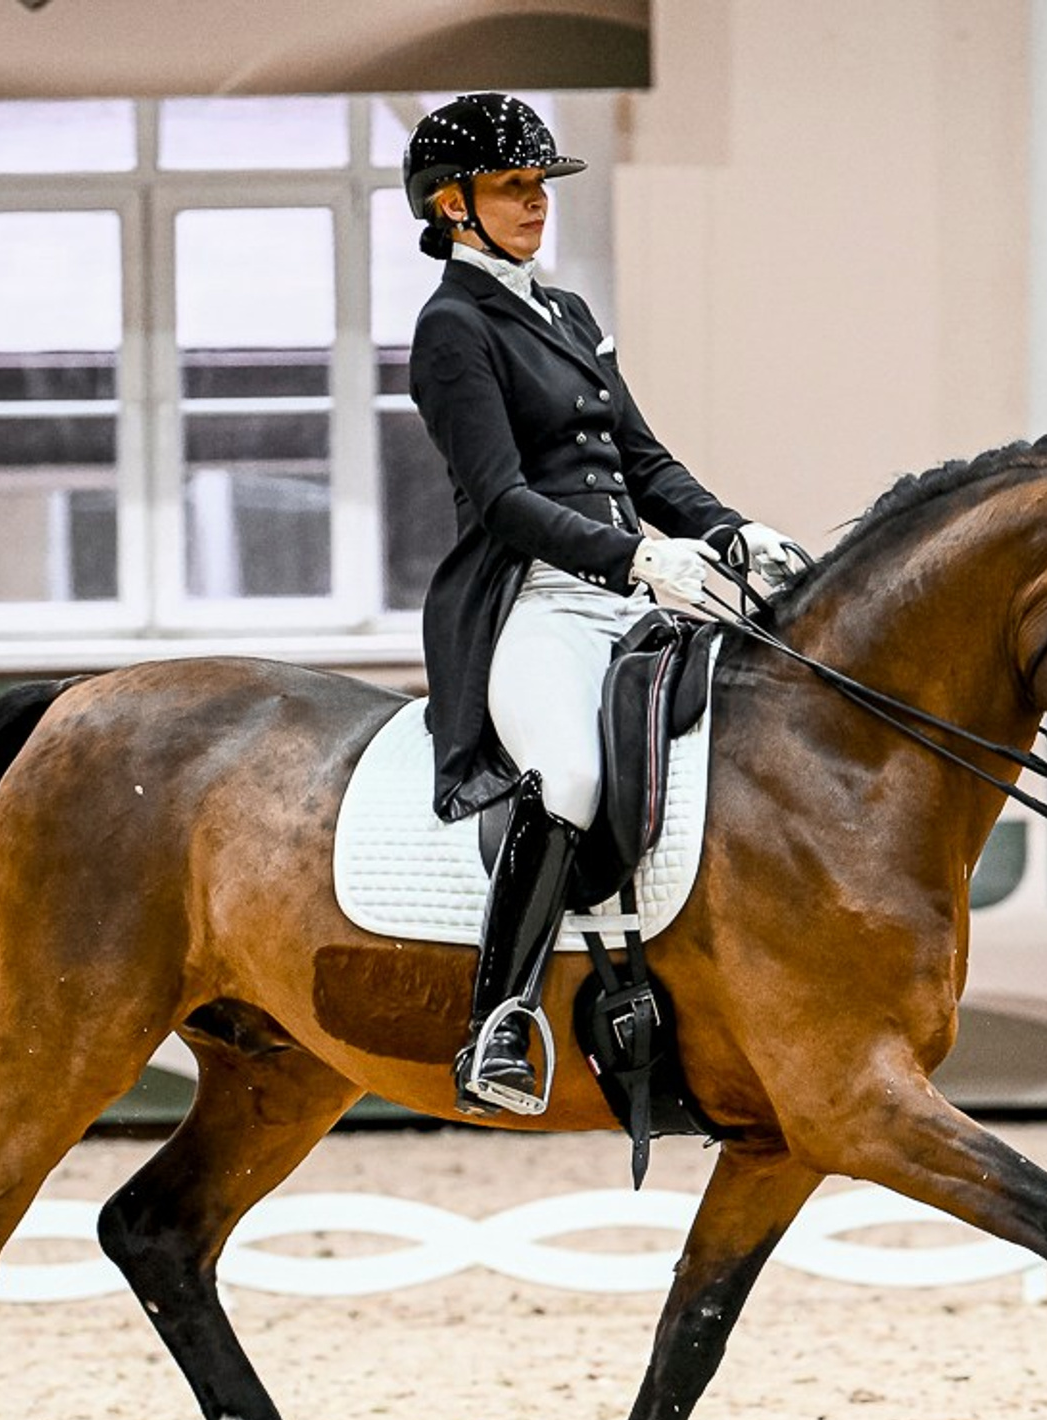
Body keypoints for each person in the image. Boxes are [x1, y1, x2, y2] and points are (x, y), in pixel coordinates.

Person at [403, 92, 807, 1117]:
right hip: (535, 600)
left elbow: (643, 458)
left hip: (636, 593)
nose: (537, 206)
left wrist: (730, 531)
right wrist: (633, 557)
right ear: (453, 206)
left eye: (541, 187)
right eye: (512, 188)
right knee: (570, 776)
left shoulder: (567, 312)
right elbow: (501, 499)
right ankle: (499, 1022)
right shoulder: (453, 329)